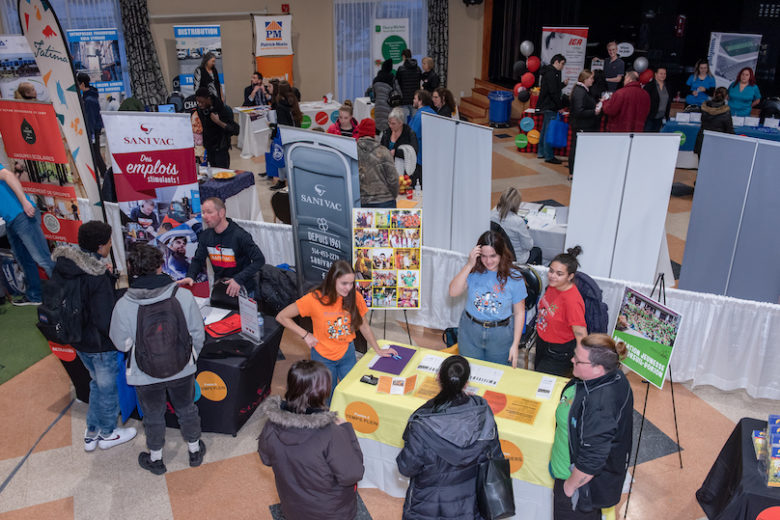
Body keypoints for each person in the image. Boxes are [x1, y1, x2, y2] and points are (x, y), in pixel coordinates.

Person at [109, 244, 206, 475]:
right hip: (182, 368)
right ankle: (194, 450)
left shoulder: (123, 304)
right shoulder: (181, 295)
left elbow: (119, 342)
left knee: (152, 415)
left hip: (144, 374)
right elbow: (197, 333)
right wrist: (191, 357)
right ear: (160, 265)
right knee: (187, 408)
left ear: (131, 268)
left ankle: (156, 458)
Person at [51, 221, 137, 452]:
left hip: (78, 339)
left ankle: (92, 431)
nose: (110, 245)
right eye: (109, 242)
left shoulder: (66, 266)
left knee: (96, 384)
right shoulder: (96, 277)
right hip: (100, 345)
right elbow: (104, 318)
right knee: (107, 388)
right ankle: (108, 432)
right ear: (101, 246)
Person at [396, 354, 503, 519]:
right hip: (470, 504)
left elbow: (407, 467)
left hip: (428, 504)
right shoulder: (483, 413)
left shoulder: (421, 423)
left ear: (438, 378)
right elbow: (496, 459)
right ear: (467, 382)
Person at [258, 360, 364, 519]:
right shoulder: (332, 433)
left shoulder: (270, 426)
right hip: (331, 512)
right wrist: (347, 430)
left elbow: (266, 459)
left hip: (293, 508)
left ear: (290, 387)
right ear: (323, 392)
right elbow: (353, 474)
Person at [275, 260, 398, 396]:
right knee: (326, 396)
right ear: (333, 280)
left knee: (351, 392)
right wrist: (305, 335)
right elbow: (282, 317)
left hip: (347, 354)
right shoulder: (314, 299)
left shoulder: (354, 297)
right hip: (323, 357)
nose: (348, 288)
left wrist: (378, 349)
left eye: (351, 283)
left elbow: (364, 326)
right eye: (344, 283)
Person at [551, 334, 633, 519]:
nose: (572, 360)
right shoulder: (611, 376)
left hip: (577, 488)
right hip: (569, 469)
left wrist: (569, 488)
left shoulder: (600, 405)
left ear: (598, 368)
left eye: (578, 360)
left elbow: (592, 459)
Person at [448, 231, 527, 367]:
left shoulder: (514, 277)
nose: (488, 261)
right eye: (484, 256)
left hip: (500, 333)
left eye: (493, 256)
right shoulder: (473, 271)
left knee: (498, 373)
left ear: (501, 254)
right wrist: (468, 264)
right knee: (470, 370)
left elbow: (520, 313)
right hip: (470, 330)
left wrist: (515, 344)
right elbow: (453, 292)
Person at [179, 197, 265, 297]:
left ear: (221, 213)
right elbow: (198, 260)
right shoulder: (206, 236)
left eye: (209, 212)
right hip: (221, 289)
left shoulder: (240, 235)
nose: (205, 216)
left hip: (243, 290)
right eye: (203, 212)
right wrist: (191, 276)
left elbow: (259, 260)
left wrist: (238, 279)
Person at [0, 164, 55, 305]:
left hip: (22, 214)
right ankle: (35, 296)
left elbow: (8, 176)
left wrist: (25, 202)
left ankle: (65, 296)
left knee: (42, 259)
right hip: (10, 219)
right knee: (23, 259)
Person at [535, 246, 587, 376]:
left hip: (558, 350)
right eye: (551, 271)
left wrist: (582, 359)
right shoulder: (553, 286)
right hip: (543, 341)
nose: (552, 276)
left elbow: (581, 334)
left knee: (542, 385)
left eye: (559, 274)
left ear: (570, 276)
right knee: (536, 377)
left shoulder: (572, 301)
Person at [355, 118, 398, 208]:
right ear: (373, 133)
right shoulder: (383, 151)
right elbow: (393, 179)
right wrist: (393, 196)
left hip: (362, 202)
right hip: (385, 201)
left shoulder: (352, 151)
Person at [269, 80, 303, 191]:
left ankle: (282, 181)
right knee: (290, 159)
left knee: (280, 159)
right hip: (295, 134)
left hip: (284, 135)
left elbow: (282, 124)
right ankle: (292, 180)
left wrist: (272, 126)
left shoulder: (280, 105)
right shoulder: (294, 101)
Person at [195, 87, 239, 169]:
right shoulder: (200, 110)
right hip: (209, 147)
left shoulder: (223, 109)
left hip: (221, 147)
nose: (200, 105)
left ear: (208, 99)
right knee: (213, 175)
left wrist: (218, 122)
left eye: (202, 102)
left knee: (223, 174)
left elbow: (236, 130)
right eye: (198, 102)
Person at [489, 187, 536, 263]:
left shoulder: (492, 214)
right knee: (537, 251)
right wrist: (525, 229)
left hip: (498, 254)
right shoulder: (518, 221)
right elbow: (528, 246)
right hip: (516, 258)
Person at [569, 70, 600, 178]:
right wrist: (594, 112)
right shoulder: (580, 91)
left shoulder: (583, 90)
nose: (593, 80)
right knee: (576, 149)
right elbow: (579, 111)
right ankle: (573, 172)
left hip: (583, 125)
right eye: (591, 78)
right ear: (585, 79)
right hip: (581, 125)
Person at [537, 54, 567, 165]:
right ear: (556, 62)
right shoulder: (551, 73)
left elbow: (553, 88)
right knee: (549, 132)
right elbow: (553, 92)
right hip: (550, 105)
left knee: (545, 131)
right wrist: (560, 107)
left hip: (546, 105)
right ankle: (549, 156)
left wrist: (563, 84)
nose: (563, 67)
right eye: (562, 64)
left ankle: (541, 152)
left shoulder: (549, 72)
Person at [408, 89, 436, 188]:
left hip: (419, 157)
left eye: (415, 98)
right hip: (431, 157)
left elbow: (411, 134)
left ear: (420, 101)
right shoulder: (433, 113)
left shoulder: (419, 116)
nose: (413, 100)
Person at [694, 87, 734, 156]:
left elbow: (702, 120)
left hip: (703, 140)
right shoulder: (726, 111)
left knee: (701, 165)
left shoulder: (704, 107)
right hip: (718, 142)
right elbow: (729, 129)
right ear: (726, 97)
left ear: (714, 94)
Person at [395, 49, 422, 119]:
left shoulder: (401, 69)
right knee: (415, 120)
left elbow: (397, 83)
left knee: (403, 122)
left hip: (404, 99)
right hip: (415, 98)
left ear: (403, 56)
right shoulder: (418, 69)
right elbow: (419, 81)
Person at [373, 58, 396, 133]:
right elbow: (397, 92)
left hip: (378, 106)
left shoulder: (376, 79)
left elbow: (374, 94)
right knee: (388, 128)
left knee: (378, 126)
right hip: (388, 106)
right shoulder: (392, 78)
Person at [644, 66, 671, 132]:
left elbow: (668, 102)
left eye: (665, 74)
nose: (663, 75)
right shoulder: (649, 86)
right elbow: (644, 102)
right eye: (661, 73)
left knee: (656, 137)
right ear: (655, 74)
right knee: (646, 136)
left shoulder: (667, 86)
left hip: (661, 118)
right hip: (650, 117)